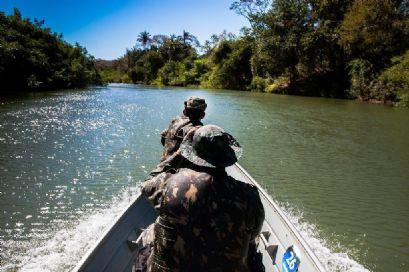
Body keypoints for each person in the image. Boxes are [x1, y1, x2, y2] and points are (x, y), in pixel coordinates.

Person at [142, 125, 265, 271]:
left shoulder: (170, 184)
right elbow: (253, 235)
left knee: (149, 233)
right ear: (227, 157)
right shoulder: (249, 196)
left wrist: (178, 153)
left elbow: (147, 184)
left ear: (192, 153)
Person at [160, 96, 206, 162]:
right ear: (203, 115)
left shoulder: (175, 121)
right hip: (179, 168)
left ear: (184, 111)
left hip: (164, 162)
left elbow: (163, 137)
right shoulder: (198, 130)